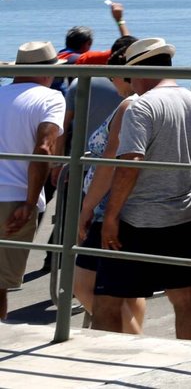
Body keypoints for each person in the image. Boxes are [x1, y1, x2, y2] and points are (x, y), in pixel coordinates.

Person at [93, 38, 191, 340]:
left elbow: (130, 163)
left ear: (141, 70)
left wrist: (111, 216)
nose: (129, 83)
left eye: (129, 75)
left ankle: (102, 369)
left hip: (138, 218)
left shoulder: (142, 107)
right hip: (186, 216)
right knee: (185, 296)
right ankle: (188, 363)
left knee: (107, 300)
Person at [72, 41, 140, 333]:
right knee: (127, 293)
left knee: (84, 286)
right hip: (124, 207)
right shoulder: (138, 105)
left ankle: (134, 342)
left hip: (107, 208)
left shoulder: (129, 106)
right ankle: (135, 339)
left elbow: (111, 163)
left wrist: (86, 207)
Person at [1, 42, 66, 321]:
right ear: (48, 73)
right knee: (0, 286)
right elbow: (43, 149)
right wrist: (30, 202)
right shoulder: (51, 98)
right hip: (15, 199)